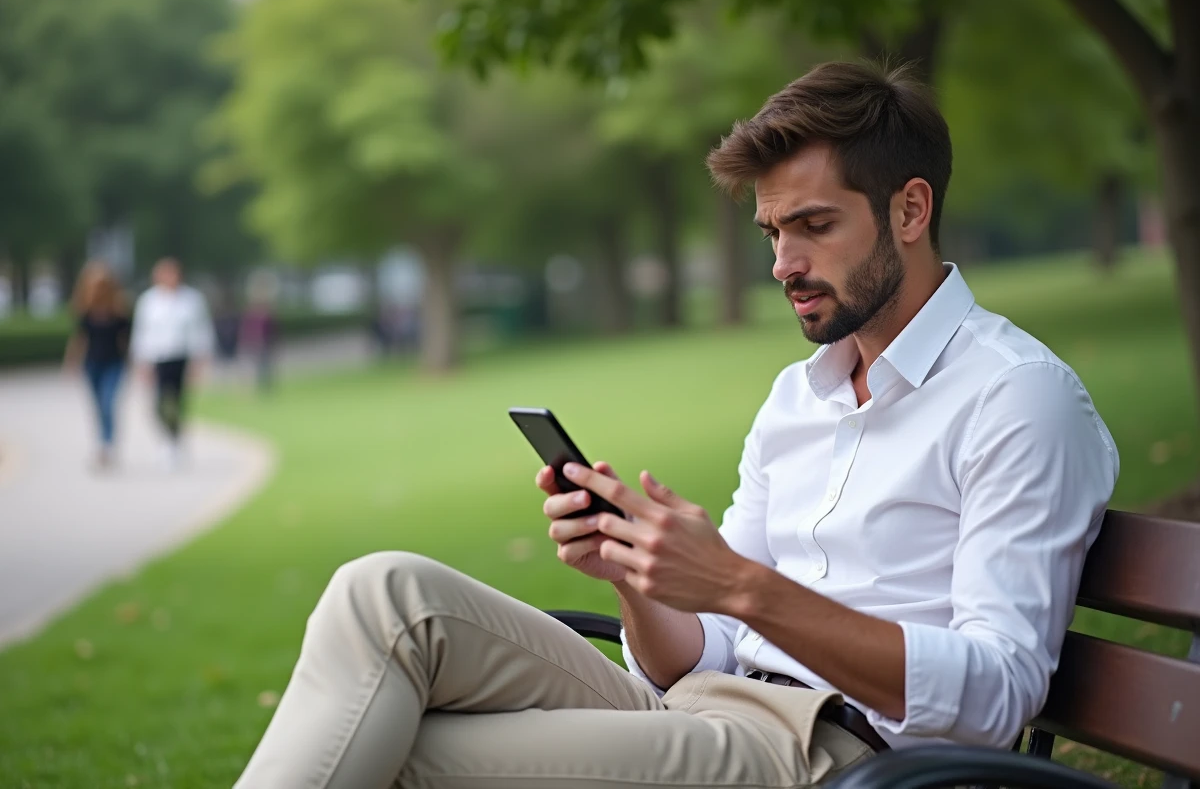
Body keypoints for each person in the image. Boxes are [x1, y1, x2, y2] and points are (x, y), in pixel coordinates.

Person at [234, 61, 1120, 788]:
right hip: (706, 711)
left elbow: (999, 694)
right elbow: (699, 654)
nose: (784, 263)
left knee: (395, 753)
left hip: (845, 759)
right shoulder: (797, 397)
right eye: (772, 232)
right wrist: (639, 576)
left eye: (814, 226)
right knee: (383, 592)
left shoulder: (1016, 399)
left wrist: (737, 584)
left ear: (911, 210)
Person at [129, 257, 215, 468]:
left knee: (177, 401)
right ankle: (168, 437)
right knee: (158, 403)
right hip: (157, 357)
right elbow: (142, 332)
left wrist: (201, 359)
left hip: (181, 356)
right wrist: (140, 361)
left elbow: (201, 330)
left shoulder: (192, 299)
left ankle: (174, 441)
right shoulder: (148, 301)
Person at [62, 261, 132, 469]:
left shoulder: (119, 311)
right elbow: (79, 339)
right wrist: (71, 362)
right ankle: (101, 441)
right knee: (98, 406)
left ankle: (107, 445)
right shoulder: (84, 310)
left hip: (114, 363)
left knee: (108, 402)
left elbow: (126, 340)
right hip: (91, 364)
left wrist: (134, 363)